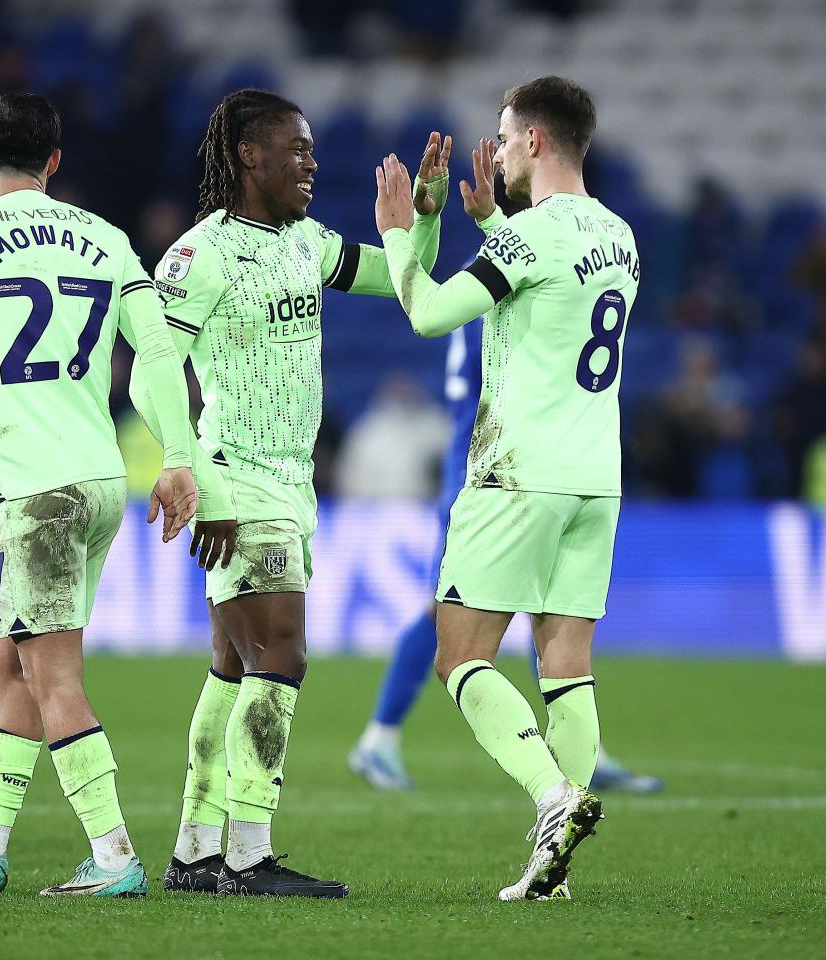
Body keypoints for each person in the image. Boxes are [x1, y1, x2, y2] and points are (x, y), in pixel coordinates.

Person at [0, 92, 200, 898]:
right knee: (5, 655)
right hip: (100, 478)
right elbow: (159, 349)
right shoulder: (105, 238)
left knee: (52, 676)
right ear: (55, 161)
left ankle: (115, 859)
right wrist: (178, 455)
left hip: (33, 492)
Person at [151, 89, 450, 898]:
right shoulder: (199, 253)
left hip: (290, 480)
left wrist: (419, 217)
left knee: (230, 666)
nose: (312, 166)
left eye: (314, 152)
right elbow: (151, 368)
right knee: (282, 652)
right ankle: (248, 855)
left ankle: (194, 850)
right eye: (298, 150)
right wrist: (195, 475)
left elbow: (399, 281)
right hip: (235, 477)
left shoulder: (307, 242)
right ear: (249, 156)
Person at [374, 76, 637, 901]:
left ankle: (554, 797)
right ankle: (554, 868)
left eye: (505, 134)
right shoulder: (622, 236)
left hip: (517, 473)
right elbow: (548, 302)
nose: (498, 148)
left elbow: (427, 311)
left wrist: (403, 228)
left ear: (536, 142)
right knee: (567, 663)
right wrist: (490, 219)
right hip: (596, 479)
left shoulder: (534, 237)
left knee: (461, 654)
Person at [349, 323, 664, 796]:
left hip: (499, 463)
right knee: (454, 614)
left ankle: (578, 751)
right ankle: (380, 735)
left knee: (531, 607)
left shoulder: (483, 281)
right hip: (491, 469)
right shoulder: (505, 279)